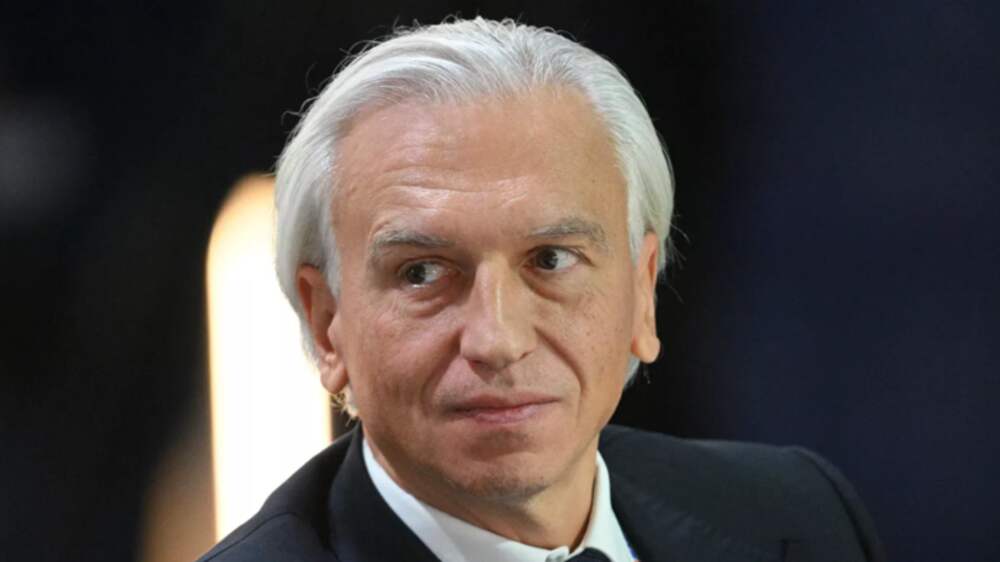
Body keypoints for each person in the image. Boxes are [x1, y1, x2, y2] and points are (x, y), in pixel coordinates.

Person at [198, 17, 884, 562]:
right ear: (327, 323)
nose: (497, 340)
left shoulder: (802, 517)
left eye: (551, 260)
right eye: (423, 272)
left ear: (643, 293)